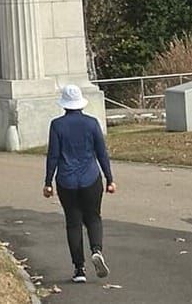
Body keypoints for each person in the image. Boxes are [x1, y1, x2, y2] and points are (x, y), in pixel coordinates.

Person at [43, 84, 116, 284]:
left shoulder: (57, 125)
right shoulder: (92, 123)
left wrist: (48, 182)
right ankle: (96, 250)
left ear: (64, 104)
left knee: (73, 222)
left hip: (66, 181)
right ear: (81, 103)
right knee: (93, 217)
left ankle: (79, 269)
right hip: (90, 178)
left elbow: (53, 156)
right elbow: (102, 153)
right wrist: (110, 179)